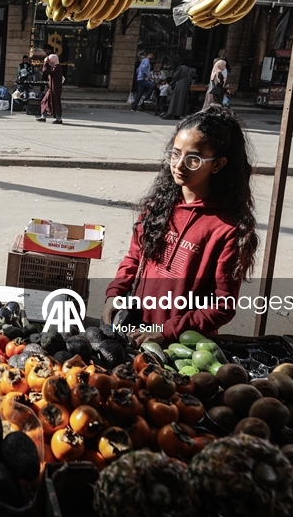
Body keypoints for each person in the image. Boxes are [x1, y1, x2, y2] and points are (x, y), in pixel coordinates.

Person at [101, 106, 258, 344]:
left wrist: (167, 332)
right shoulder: (158, 206)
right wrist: (115, 294)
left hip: (183, 344)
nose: (179, 165)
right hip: (135, 330)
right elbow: (134, 257)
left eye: (193, 158)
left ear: (217, 165)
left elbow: (223, 305)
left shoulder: (228, 228)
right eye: (175, 154)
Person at [39, 53, 63, 124]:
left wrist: (45, 62)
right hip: (51, 88)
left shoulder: (56, 67)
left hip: (55, 88)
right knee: (45, 101)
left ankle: (59, 119)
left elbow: (45, 71)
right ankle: (43, 116)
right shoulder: (54, 67)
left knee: (55, 102)